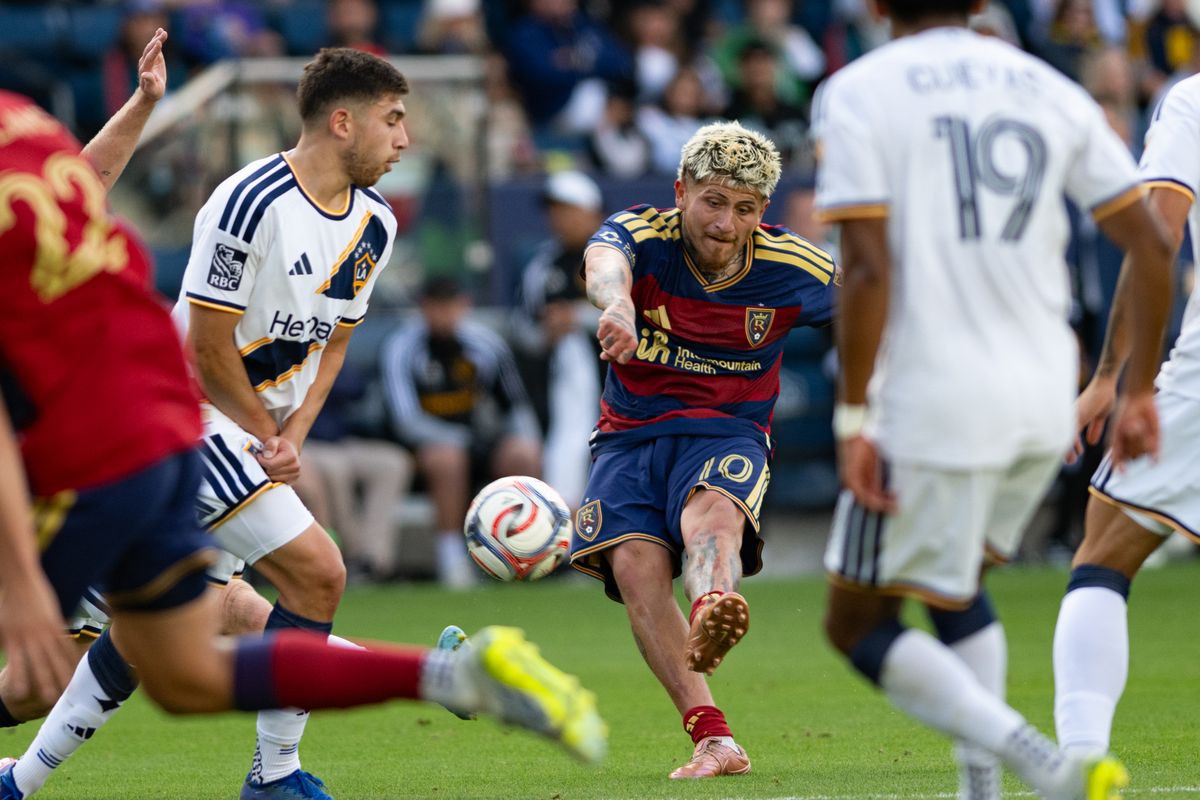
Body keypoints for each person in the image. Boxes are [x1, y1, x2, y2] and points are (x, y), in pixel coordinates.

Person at [0, 46, 605, 800]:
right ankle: (317, 751)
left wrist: (293, 437)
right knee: (309, 575)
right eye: (393, 120)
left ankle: (21, 783)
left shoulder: (373, 224)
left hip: (172, 429)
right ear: (342, 120)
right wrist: (265, 435)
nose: (406, 139)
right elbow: (206, 346)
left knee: (139, 657)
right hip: (184, 414)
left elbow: (333, 342)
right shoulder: (250, 199)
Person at [811, 2, 1174, 800]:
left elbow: (867, 270)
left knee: (856, 623)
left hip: (934, 398)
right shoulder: (1047, 86)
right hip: (1043, 399)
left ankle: (1043, 764)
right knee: (955, 583)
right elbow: (1151, 244)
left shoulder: (860, 90)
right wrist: (1138, 389)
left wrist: (853, 418)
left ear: (875, 6)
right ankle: (980, 791)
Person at [573, 120, 837, 779]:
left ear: (762, 214)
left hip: (728, 428)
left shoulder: (794, 267)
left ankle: (713, 603)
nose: (725, 223)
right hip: (630, 432)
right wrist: (618, 308)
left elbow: (876, 305)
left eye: (744, 209)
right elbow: (604, 261)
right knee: (635, 567)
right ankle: (714, 739)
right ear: (681, 191)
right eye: (713, 202)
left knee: (710, 516)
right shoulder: (644, 234)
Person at [1051, 70, 1200, 762]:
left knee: (1105, 552)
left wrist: (1116, 377)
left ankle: (1083, 761)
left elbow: (1156, 237)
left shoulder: (1193, 99)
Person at [380, 275, 543, 589]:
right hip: (424, 448)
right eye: (436, 306)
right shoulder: (403, 347)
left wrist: (526, 442)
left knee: (523, 453)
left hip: (480, 439)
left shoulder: (485, 345)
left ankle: (523, 553)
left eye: (451, 305)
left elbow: (516, 407)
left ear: (464, 306)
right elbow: (406, 421)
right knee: (447, 457)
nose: (444, 314)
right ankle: (452, 558)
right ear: (423, 308)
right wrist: (460, 440)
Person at [510, 171, 606, 509]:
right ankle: (562, 525)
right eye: (553, 210)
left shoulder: (620, 256)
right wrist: (548, 331)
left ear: (592, 212)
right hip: (562, 380)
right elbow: (524, 331)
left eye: (567, 209)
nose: (558, 218)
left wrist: (578, 317)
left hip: (625, 372)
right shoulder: (542, 265)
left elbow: (646, 316)